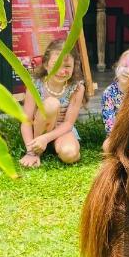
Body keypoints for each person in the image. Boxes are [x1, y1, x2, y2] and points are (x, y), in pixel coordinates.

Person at [20, 40, 85, 168]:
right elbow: (26, 120)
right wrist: (30, 151)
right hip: (39, 129)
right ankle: (36, 150)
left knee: (70, 154)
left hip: (61, 130)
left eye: (67, 66)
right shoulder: (34, 84)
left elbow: (68, 123)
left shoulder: (77, 88)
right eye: (56, 65)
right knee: (51, 104)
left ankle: (55, 145)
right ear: (46, 64)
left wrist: (46, 139)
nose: (61, 71)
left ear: (74, 67)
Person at [101, 47, 129, 151]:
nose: (126, 71)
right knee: (107, 146)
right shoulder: (109, 93)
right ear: (117, 66)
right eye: (124, 66)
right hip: (116, 135)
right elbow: (109, 122)